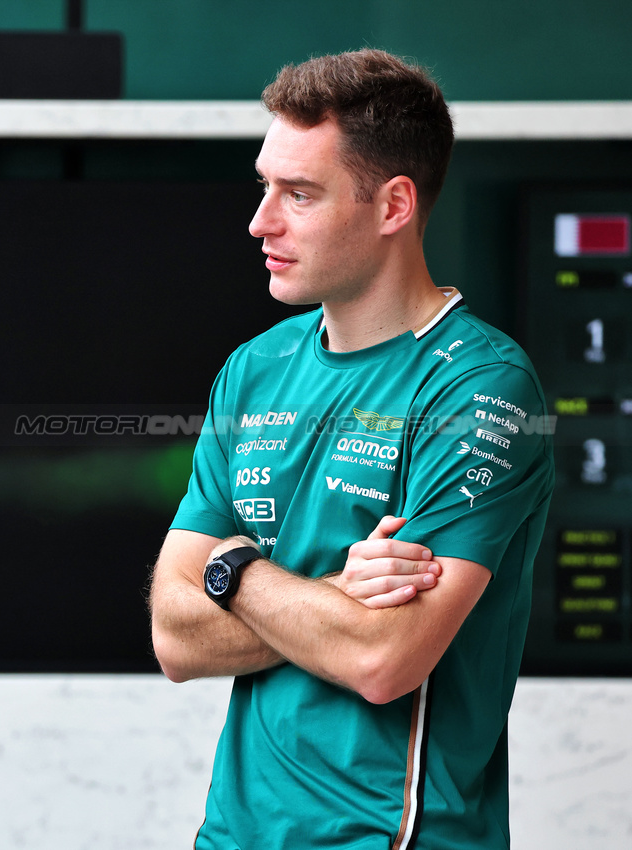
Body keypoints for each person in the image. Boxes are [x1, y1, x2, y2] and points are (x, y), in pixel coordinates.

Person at [148, 49, 554, 849]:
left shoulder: (479, 388)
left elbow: (382, 659)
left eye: (298, 194)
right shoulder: (254, 368)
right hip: (231, 835)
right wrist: (330, 590)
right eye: (264, 186)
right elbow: (173, 633)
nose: (261, 221)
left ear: (393, 204)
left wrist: (230, 570)